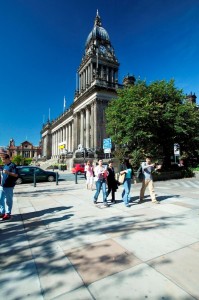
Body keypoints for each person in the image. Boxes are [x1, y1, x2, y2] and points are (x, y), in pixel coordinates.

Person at [0, 154, 18, 220]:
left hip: (9, 186)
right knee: (0, 199)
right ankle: (2, 212)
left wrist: (8, 173)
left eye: (3, 159)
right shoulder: (4, 165)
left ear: (7, 159)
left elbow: (16, 175)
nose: (2, 161)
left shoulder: (12, 165)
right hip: (2, 186)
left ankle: (8, 214)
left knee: (8, 201)